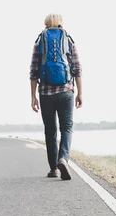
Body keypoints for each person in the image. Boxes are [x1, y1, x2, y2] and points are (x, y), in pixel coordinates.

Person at [29, 13, 82, 180]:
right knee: (66, 128)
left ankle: (54, 169)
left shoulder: (39, 41)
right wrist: (80, 93)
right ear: (61, 23)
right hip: (66, 91)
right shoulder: (68, 39)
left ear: (45, 24)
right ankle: (63, 158)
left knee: (50, 131)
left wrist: (33, 96)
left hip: (45, 93)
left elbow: (33, 71)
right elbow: (77, 68)